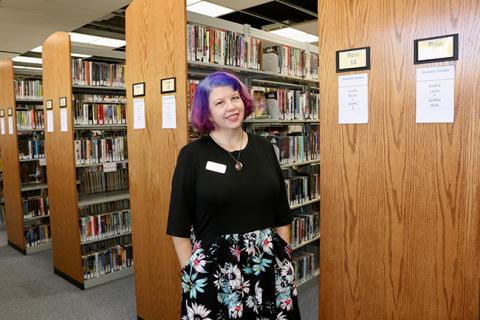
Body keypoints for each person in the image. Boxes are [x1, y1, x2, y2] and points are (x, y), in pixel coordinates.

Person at [167, 71, 301, 319]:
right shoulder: (192, 155)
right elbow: (178, 224)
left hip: (267, 265)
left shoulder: (264, 148)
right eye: (220, 102)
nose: (231, 107)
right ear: (206, 113)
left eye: (235, 98)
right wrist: (192, 273)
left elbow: (282, 211)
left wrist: (284, 255)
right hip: (214, 272)